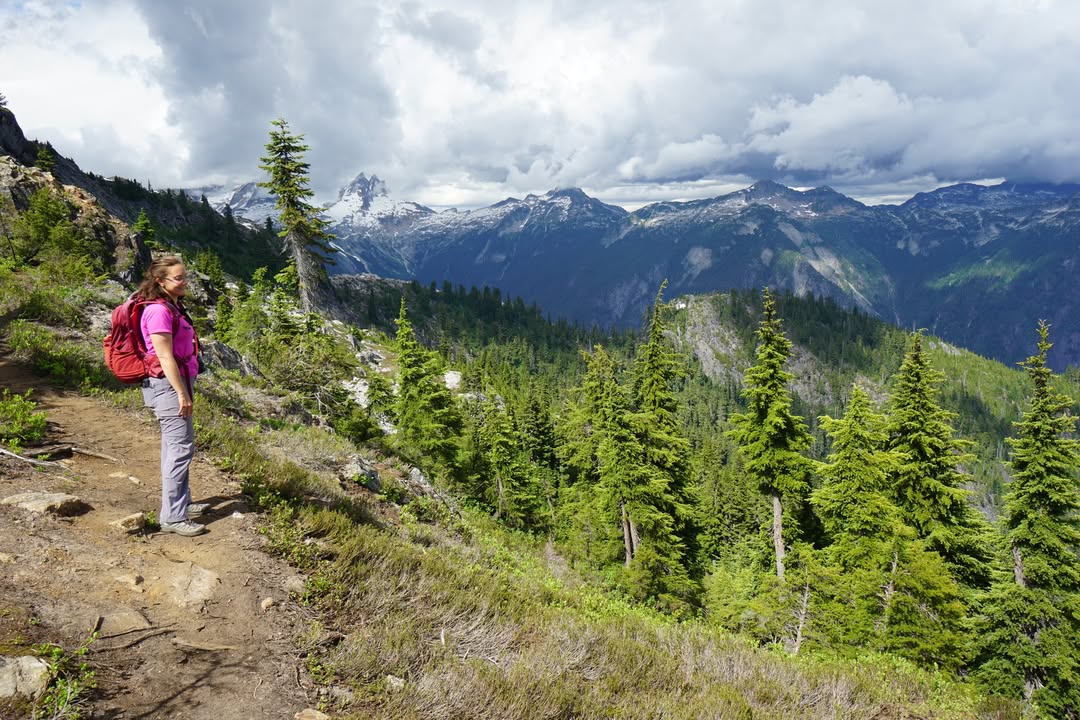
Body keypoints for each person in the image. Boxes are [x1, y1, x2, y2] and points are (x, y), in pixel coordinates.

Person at [134, 256, 207, 536]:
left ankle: (182, 504)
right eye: (179, 278)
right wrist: (181, 394)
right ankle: (173, 518)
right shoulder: (158, 312)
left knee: (175, 447)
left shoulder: (172, 305)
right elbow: (164, 356)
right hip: (167, 386)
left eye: (184, 276)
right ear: (160, 282)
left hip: (177, 383)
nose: (184, 281)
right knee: (180, 450)